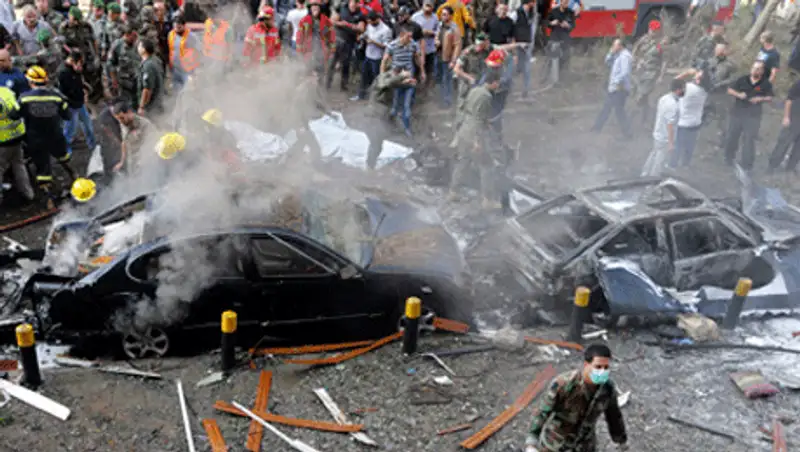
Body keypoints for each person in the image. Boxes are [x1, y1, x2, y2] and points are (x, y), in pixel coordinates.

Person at [525, 344, 628, 452]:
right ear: (586, 364)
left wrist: (621, 441)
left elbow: (613, 416)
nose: (602, 371)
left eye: (606, 367)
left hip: (585, 446)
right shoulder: (564, 384)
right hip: (555, 445)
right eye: (598, 367)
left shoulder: (607, 389)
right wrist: (531, 442)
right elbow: (542, 413)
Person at [10, 65, 76, 208]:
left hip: (35, 140)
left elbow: (13, 115)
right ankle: (75, 178)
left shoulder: (24, 99)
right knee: (64, 158)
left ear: (30, 81)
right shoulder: (57, 96)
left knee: (43, 170)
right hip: (56, 137)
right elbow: (67, 116)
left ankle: (49, 199)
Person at [449, 69, 504, 209]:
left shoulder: (474, 90)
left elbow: (467, 110)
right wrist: (477, 142)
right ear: (494, 83)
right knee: (487, 165)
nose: (498, 86)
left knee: (463, 161)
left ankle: (453, 192)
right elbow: (479, 120)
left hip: (464, 130)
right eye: (498, 83)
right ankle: (488, 200)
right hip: (474, 134)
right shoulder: (486, 96)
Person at [724, 60, 773, 170]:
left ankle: (747, 164)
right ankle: (728, 158)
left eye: (758, 69)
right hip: (737, 113)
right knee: (732, 136)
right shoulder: (742, 79)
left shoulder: (766, 83)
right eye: (754, 68)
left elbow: (770, 97)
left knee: (749, 140)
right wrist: (738, 94)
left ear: (762, 71)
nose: (755, 70)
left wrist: (760, 98)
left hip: (753, 116)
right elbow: (729, 90)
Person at [382, 23, 424, 136]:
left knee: (406, 106)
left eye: (411, 36)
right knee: (395, 106)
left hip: (409, 79)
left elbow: (418, 57)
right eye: (408, 37)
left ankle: (407, 128)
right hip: (397, 79)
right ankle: (389, 123)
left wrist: (422, 71)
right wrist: (382, 76)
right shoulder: (392, 45)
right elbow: (384, 61)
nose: (410, 39)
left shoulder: (413, 44)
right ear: (401, 35)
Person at [58, 50, 99, 158]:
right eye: (79, 64)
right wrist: (71, 104)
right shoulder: (62, 73)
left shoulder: (75, 70)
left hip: (80, 103)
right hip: (71, 106)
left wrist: (84, 89)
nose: (81, 66)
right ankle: (66, 151)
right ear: (72, 61)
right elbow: (62, 93)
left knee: (88, 125)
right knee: (69, 130)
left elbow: (78, 81)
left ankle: (92, 145)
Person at [591, 38, 632, 139]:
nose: (613, 47)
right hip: (614, 88)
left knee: (618, 111)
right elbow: (608, 63)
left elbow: (625, 72)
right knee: (608, 108)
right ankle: (597, 127)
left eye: (615, 45)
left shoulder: (625, 56)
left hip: (620, 88)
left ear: (620, 46)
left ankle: (627, 134)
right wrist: (610, 53)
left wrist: (616, 82)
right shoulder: (617, 55)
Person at [642, 78, 683, 176]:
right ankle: (652, 180)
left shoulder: (664, 98)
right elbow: (670, 125)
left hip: (658, 133)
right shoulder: (673, 105)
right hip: (665, 138)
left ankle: (645, 173)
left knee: (654, 153)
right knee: (659, 161)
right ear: (678, 90)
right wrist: (671, 142)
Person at [0, 85, 34, 205]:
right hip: (18, 135)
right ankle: (28, 193)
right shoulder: (6, 91)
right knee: (19, 164)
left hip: (3, 139)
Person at [670, 69, 708, 168]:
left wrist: (687, 73)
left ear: (698, 79)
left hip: (683, 122)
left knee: (678, 145)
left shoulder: (688, 87)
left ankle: (673, 164)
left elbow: (674, 82)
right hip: (696, 122)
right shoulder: (705, 91)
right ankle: (685, 164)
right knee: (690, 145)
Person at [111, 99, 159, 173]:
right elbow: (124, 142)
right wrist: (122, 162)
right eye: (118, 119)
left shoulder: (145, 125)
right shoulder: (123, 124)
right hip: (132, 162)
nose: (120, 121)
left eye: (122, 118)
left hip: (147, 163)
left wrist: (144, 160)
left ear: (129, 112)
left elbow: (155, 143)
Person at [631, 20, 664, 126]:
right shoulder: (643, 40)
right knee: (642, 98)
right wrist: (636, 61)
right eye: (652, 30)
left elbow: (664, 61)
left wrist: (661, 76)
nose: (653, 32)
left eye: (656, 30)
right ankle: (644, 120)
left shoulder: (661, 43)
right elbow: (635, 51)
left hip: (653, 73)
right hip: (641, 72)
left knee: (643, 96)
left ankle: (643, 119)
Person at [328, 0, 364, 91]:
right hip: (337, 40)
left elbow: (361, 29)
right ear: (349, 2)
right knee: (332, 62)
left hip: (349, 42)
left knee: (346, 65)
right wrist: (343, 24)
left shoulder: (360, 14)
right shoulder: (342, 8)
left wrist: (348, 25)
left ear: (358, 4)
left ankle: (344, 86)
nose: (353, 5)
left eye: (356, 3)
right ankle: (327, 83)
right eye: (352, 3)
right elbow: (332, 21)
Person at [767, 77, 800, 173]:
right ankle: (772, 166)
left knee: (798, 149)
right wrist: (786, 117)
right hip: (795, 117)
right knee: (784, 143)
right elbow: (789, 100)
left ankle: (790, 168)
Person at [706, 42, 736, 146]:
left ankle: (722, 139)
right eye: (716, 51)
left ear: (724, 52)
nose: (717, 53)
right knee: (706, 112)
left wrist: (721, 84)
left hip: (722, 94)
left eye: (720, 51)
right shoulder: (710, 61)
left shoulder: (730, 64)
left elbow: (733, 78)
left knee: (721, 117)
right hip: (709, 93)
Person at [356, 11, 391, 100]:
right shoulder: (370, 25)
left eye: (371, 22)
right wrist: (361, 37)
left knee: (376, 78)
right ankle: (361, 95)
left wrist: (373, 42)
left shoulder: (386, 30)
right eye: (368, 22)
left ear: (377, 19)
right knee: (364, 76)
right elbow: (366, 33)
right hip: (368, 55)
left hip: (377, 58)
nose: (370, 24)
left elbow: (386, 46)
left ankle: (375, 98)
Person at [295, 0, 336, 72]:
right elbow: (299, 37)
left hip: (322, 54)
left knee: (321, 74)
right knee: (307, 74)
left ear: (320, 7)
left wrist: (332, 51)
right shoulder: (304, 20)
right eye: (313, 5)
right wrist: (299, 52)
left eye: (317, 5)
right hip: (308, 53)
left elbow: (332, 37)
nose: (315, 7)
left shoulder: (326, 20)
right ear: (310, 8)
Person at [107, 25, 141, 105]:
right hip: (123, 81)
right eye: (134, 36)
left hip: (136, 79)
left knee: (136, 101)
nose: (136, 39)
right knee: (125, 103)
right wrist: (114, 80)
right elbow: (110, 64)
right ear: (127, 35)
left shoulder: (137, 44)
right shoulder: (117, 45)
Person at [436, 5, 461, 107]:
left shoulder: (454, 28)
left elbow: (457, 45)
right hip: (438, 55)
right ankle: (441, 99)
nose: (442, 16)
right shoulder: (440, 25)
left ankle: (447, 101)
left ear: (450, 16)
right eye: (442, 14)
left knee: (447, 79)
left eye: (445, 14)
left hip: (448, 58)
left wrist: (453, 60)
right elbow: (437, 36)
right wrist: (436, 41)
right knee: (440, 79)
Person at [167, 16, 199, 91]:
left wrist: (194, 71)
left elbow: (197, 53)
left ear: (184, 25)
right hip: (175, 69)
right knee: (176, 92)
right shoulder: (170, 35)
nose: (177, 29)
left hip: (187, 70)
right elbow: (170, 51)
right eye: (175, 27)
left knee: (188, 91)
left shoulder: (192, 37)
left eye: (179, 27)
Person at [412, 0, 439, 88]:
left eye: (430, 6)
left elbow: (438, 31)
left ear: (433, 7)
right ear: (423, 5)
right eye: (427, 5)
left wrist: (431, 32)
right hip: (417, 49)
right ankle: (417, 90)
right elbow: (410, 31)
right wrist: (420, 32)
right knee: (417, 71)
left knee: (429, 71)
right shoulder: (415, 17)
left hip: (430, 48)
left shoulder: (435, 17)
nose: (428, 8)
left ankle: (426, 90)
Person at [512, 0, 536, 98]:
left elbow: (531, 28)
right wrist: (514, 43)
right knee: (516, 67)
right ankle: (509, 88)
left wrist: (531, 42)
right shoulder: (516, 13)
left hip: (527, 44)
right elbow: (511, 28)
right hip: (518, 44)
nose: (534, 3)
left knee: (527, 68)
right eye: (533, 1)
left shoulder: (531, 13)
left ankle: (526, 90)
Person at [137, 38, 165, 116]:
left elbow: (147, 89)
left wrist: (142, 107)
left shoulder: (148, 65)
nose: (137, 48)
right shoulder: (156, 60)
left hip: (151, 107)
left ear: (144, 49)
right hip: (158, 101)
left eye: (139, 46)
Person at [545, 0, 574, 74]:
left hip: (565, 39)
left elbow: (573, 26)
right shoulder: (553, 11)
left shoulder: (570, 12)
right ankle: (549, 76)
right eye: (564, 2)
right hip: (554, 38)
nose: (566, 4)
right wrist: (552, 23)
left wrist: (568, 25)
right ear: (561, 2)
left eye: (567, 3)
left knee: (565, 59)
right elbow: (546, 23)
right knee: (552, 60)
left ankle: (563, 75)